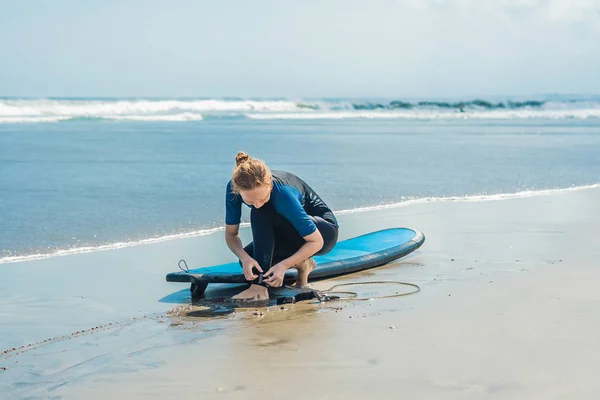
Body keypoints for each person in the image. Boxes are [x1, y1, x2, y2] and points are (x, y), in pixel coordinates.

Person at [224, 152, 339, 301]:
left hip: (323, 232)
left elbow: (316, 241)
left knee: (260, 213)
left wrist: (284, 266)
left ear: (269, 184)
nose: (257, 204)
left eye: (263, 198)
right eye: (250, 202)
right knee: (252, 262)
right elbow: (231, 234)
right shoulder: (233, 188)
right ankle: (303, 264)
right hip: (287, 233)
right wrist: (245, 258)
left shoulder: (283, 194)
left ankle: (259, 287)